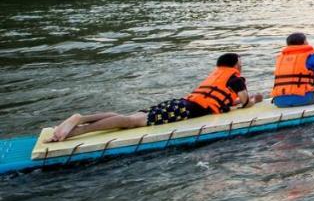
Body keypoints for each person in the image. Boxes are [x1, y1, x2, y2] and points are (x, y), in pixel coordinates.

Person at [49, 53, 262, 142]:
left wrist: (243, 102)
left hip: (182, 104)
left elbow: (225, 102)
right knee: (132, 122)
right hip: (185, 109)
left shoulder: (218, 76)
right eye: (240, 62)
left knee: (131, 118)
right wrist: (252, 101)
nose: (241, 64)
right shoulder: (235, 77)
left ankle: (83, 120)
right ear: (235, 64)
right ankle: (79, 127)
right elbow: (242, 102)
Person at [272, 32, 314, 106]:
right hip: (304, 99)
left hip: (278, 101)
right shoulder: (312, 56)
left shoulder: (281, 58)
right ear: (304, 42)